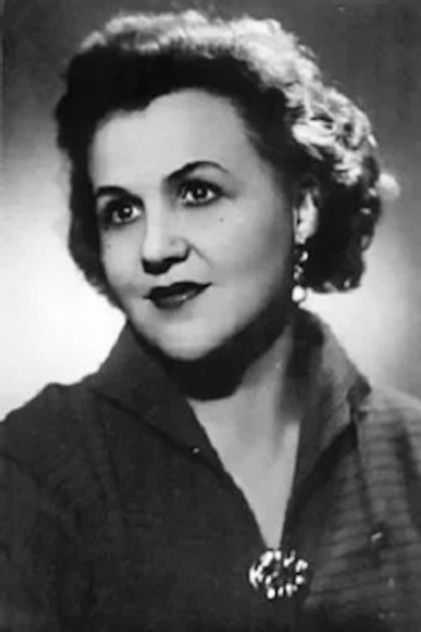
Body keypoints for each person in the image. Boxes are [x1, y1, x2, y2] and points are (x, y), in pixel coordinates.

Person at [1, 9, 420, 632]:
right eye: (122, 211)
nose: (155, 247)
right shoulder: (34, 467)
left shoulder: (411, 453)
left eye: (197, 192)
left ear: (303, 206)